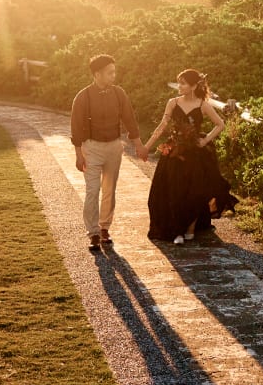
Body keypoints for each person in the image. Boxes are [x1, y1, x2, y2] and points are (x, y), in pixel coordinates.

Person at [144, 69, 239, 245]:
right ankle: (177, 230)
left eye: (183, 83)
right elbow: (162, 126)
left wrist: (204, 141)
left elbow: (220, 125)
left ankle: (190, 228)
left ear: (194, 85)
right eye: (178, 82)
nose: (179, 86)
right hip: (175, 152)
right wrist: (146, 146)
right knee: (173, 191)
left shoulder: (203, 105)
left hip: (195, 154)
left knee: (195, 191)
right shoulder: (172, 103)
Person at [70, 54, 148, 251]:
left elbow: (130, 120)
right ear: (97, 74)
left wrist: (139, 145)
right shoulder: (83, 96)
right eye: (109, 72)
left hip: (114, 147)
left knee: (109, 190)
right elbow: (76, 127)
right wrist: (79, 154)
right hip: (92, 148)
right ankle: (93, 233)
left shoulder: (119, 93)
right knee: (92, 190)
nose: (114, 75)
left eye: (114, 71)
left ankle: (105, 228)